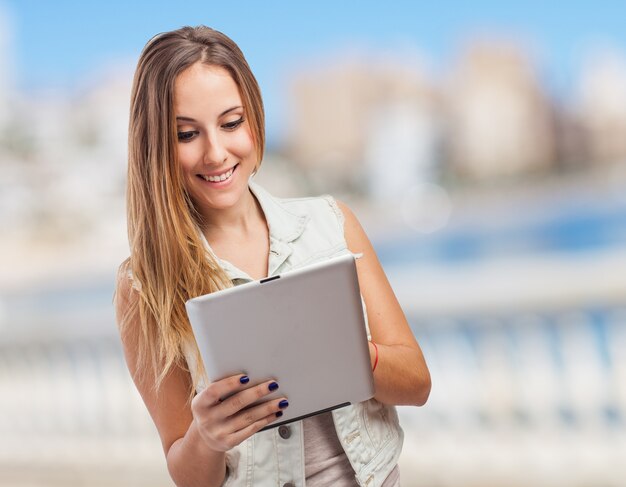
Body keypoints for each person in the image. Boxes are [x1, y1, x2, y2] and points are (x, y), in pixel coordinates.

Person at [115, 25, 431, 487]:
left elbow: (417, 384)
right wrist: (206, 436)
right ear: (155, 145)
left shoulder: (331, 223)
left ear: (255, 119)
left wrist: (344, 356)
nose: (216, 153)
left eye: (231, 123)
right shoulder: (143, 287)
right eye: (186, 134)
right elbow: (188, 475)